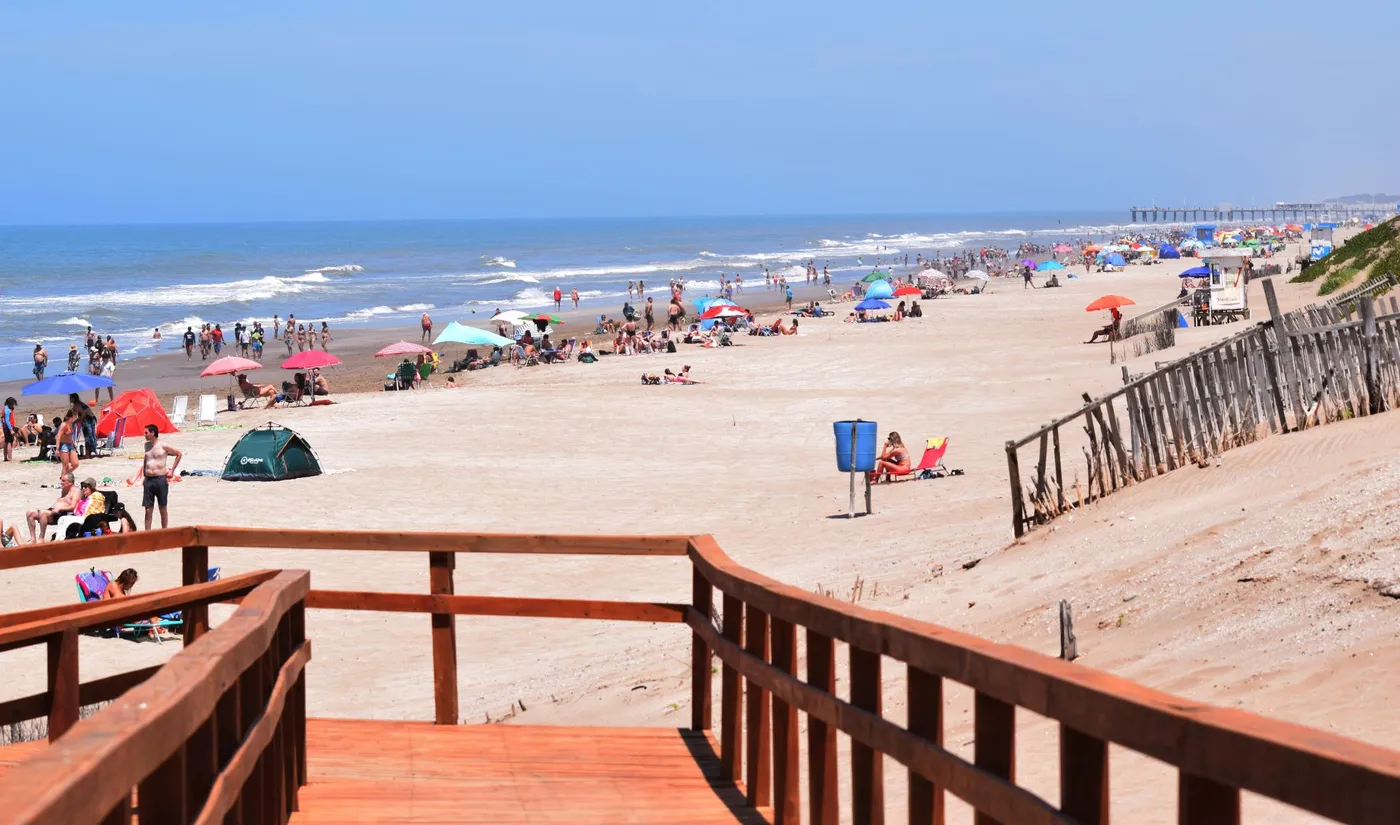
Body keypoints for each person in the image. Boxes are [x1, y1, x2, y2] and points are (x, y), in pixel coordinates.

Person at [142, 424, 182, 530]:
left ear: (152, 433)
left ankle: (164, 531)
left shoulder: (163, 445)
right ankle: (147, 533)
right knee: (148, 510)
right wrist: (144, 475)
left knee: (162, 508)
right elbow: (146, 460)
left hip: (160, 479)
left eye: (146, 433)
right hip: (148, 480)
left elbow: (179, 454)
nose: (144, 435)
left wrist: (172, 471)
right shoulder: (146, 445)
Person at [26, 472, 79, 542]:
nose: (61, 483)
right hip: (53, 511)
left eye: (63, 481)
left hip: (62, 513)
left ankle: (41, 538)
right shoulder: (64, 489)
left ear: (70, 482)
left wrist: (59, 508)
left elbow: (73, 506)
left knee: (43, 513)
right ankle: (32, 539)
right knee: (30, 513)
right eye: (61, 480)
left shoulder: (76, 491)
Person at [1, 397, 15, 463]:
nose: (13, 405)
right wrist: (11, 429)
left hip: (5, 427)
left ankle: (5, 458)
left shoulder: (4, 409)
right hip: (8, 428)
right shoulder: (7, 410)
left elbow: (2, 419)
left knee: (6, 442)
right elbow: (7, 421)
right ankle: (10, 458)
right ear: (10, 403)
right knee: (9, 442)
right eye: (13, 404)